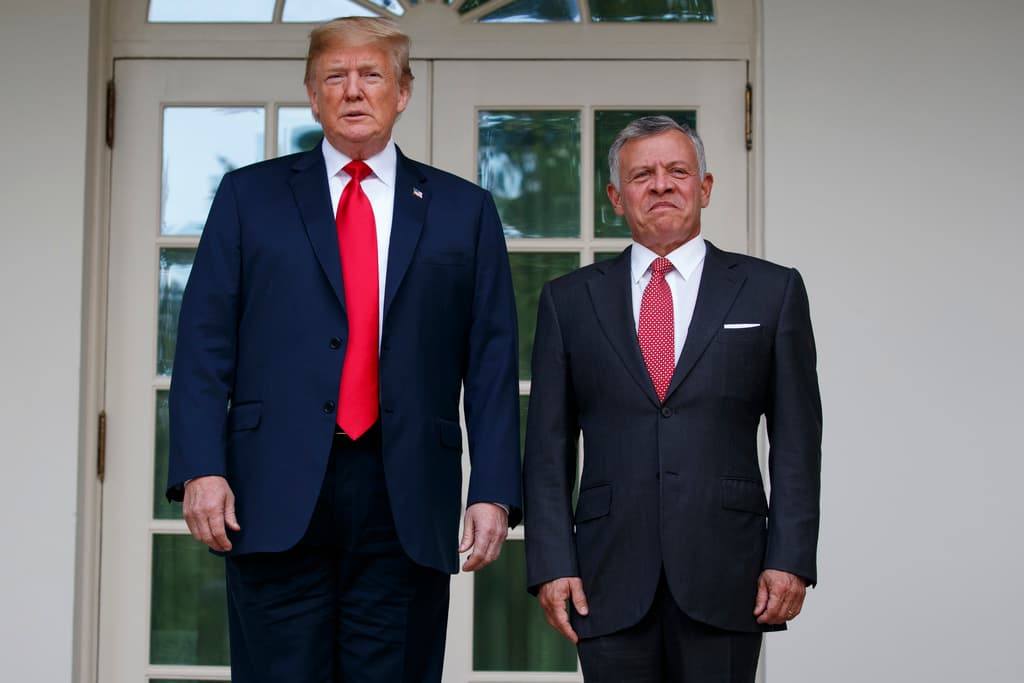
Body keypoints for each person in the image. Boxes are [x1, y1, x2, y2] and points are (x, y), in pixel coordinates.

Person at [166, 17, 522, 683]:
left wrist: (494, 488)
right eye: (336, 76)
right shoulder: (249, 197)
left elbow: (494, 358)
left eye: (371, 75)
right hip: (271, 490)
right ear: (311, 92)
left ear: (403, 92)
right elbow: (204, 342)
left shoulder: (462, 209)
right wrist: (199, 467)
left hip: (406, 490)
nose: (353, 90)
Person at [523, 115, 821, 682]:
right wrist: (552, 563)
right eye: (642, 175)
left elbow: (798, 442)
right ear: (616, 196)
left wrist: (790, 556)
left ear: (704, 187)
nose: (661, 184)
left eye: (677, 171)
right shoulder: (569, 301)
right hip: (606, 574)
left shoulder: (772, 290)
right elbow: (546, 448)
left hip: (729, 570)